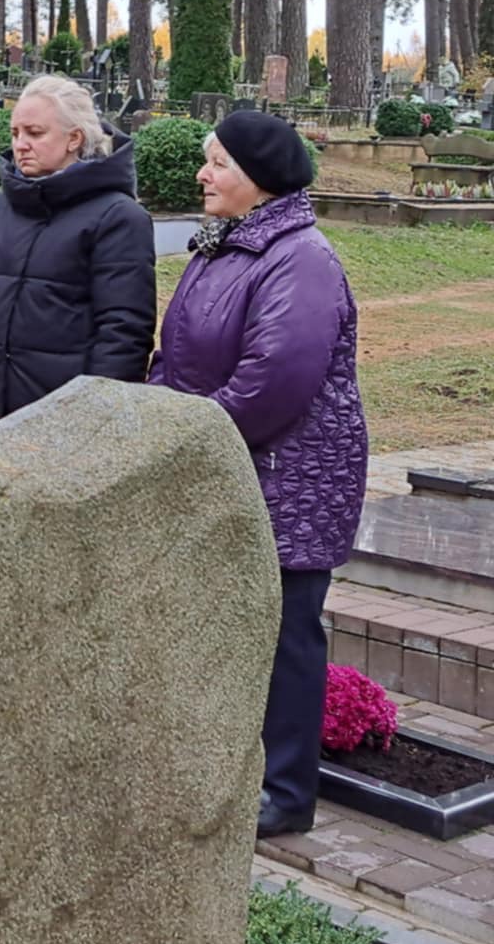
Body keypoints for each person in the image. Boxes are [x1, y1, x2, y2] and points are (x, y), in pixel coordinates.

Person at [151, 111, 367, 840]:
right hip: (224, 469)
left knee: (285, 636)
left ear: (260, 178)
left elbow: (273, 383)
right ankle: (232, 771)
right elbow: (176, 353)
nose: (203, 174)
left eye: (217, 163)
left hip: (288, 480)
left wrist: (186, 437)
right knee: (227, 629)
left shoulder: (300, 258)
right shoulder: (227, 247)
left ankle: (284, 793)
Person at [0, 75, 154, 428]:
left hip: (59, 424)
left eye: (35, 133)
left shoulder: (118, 218)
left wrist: (95, 421)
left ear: (74, 138)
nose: (21, 145)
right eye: (15, 133)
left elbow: (123, 332)